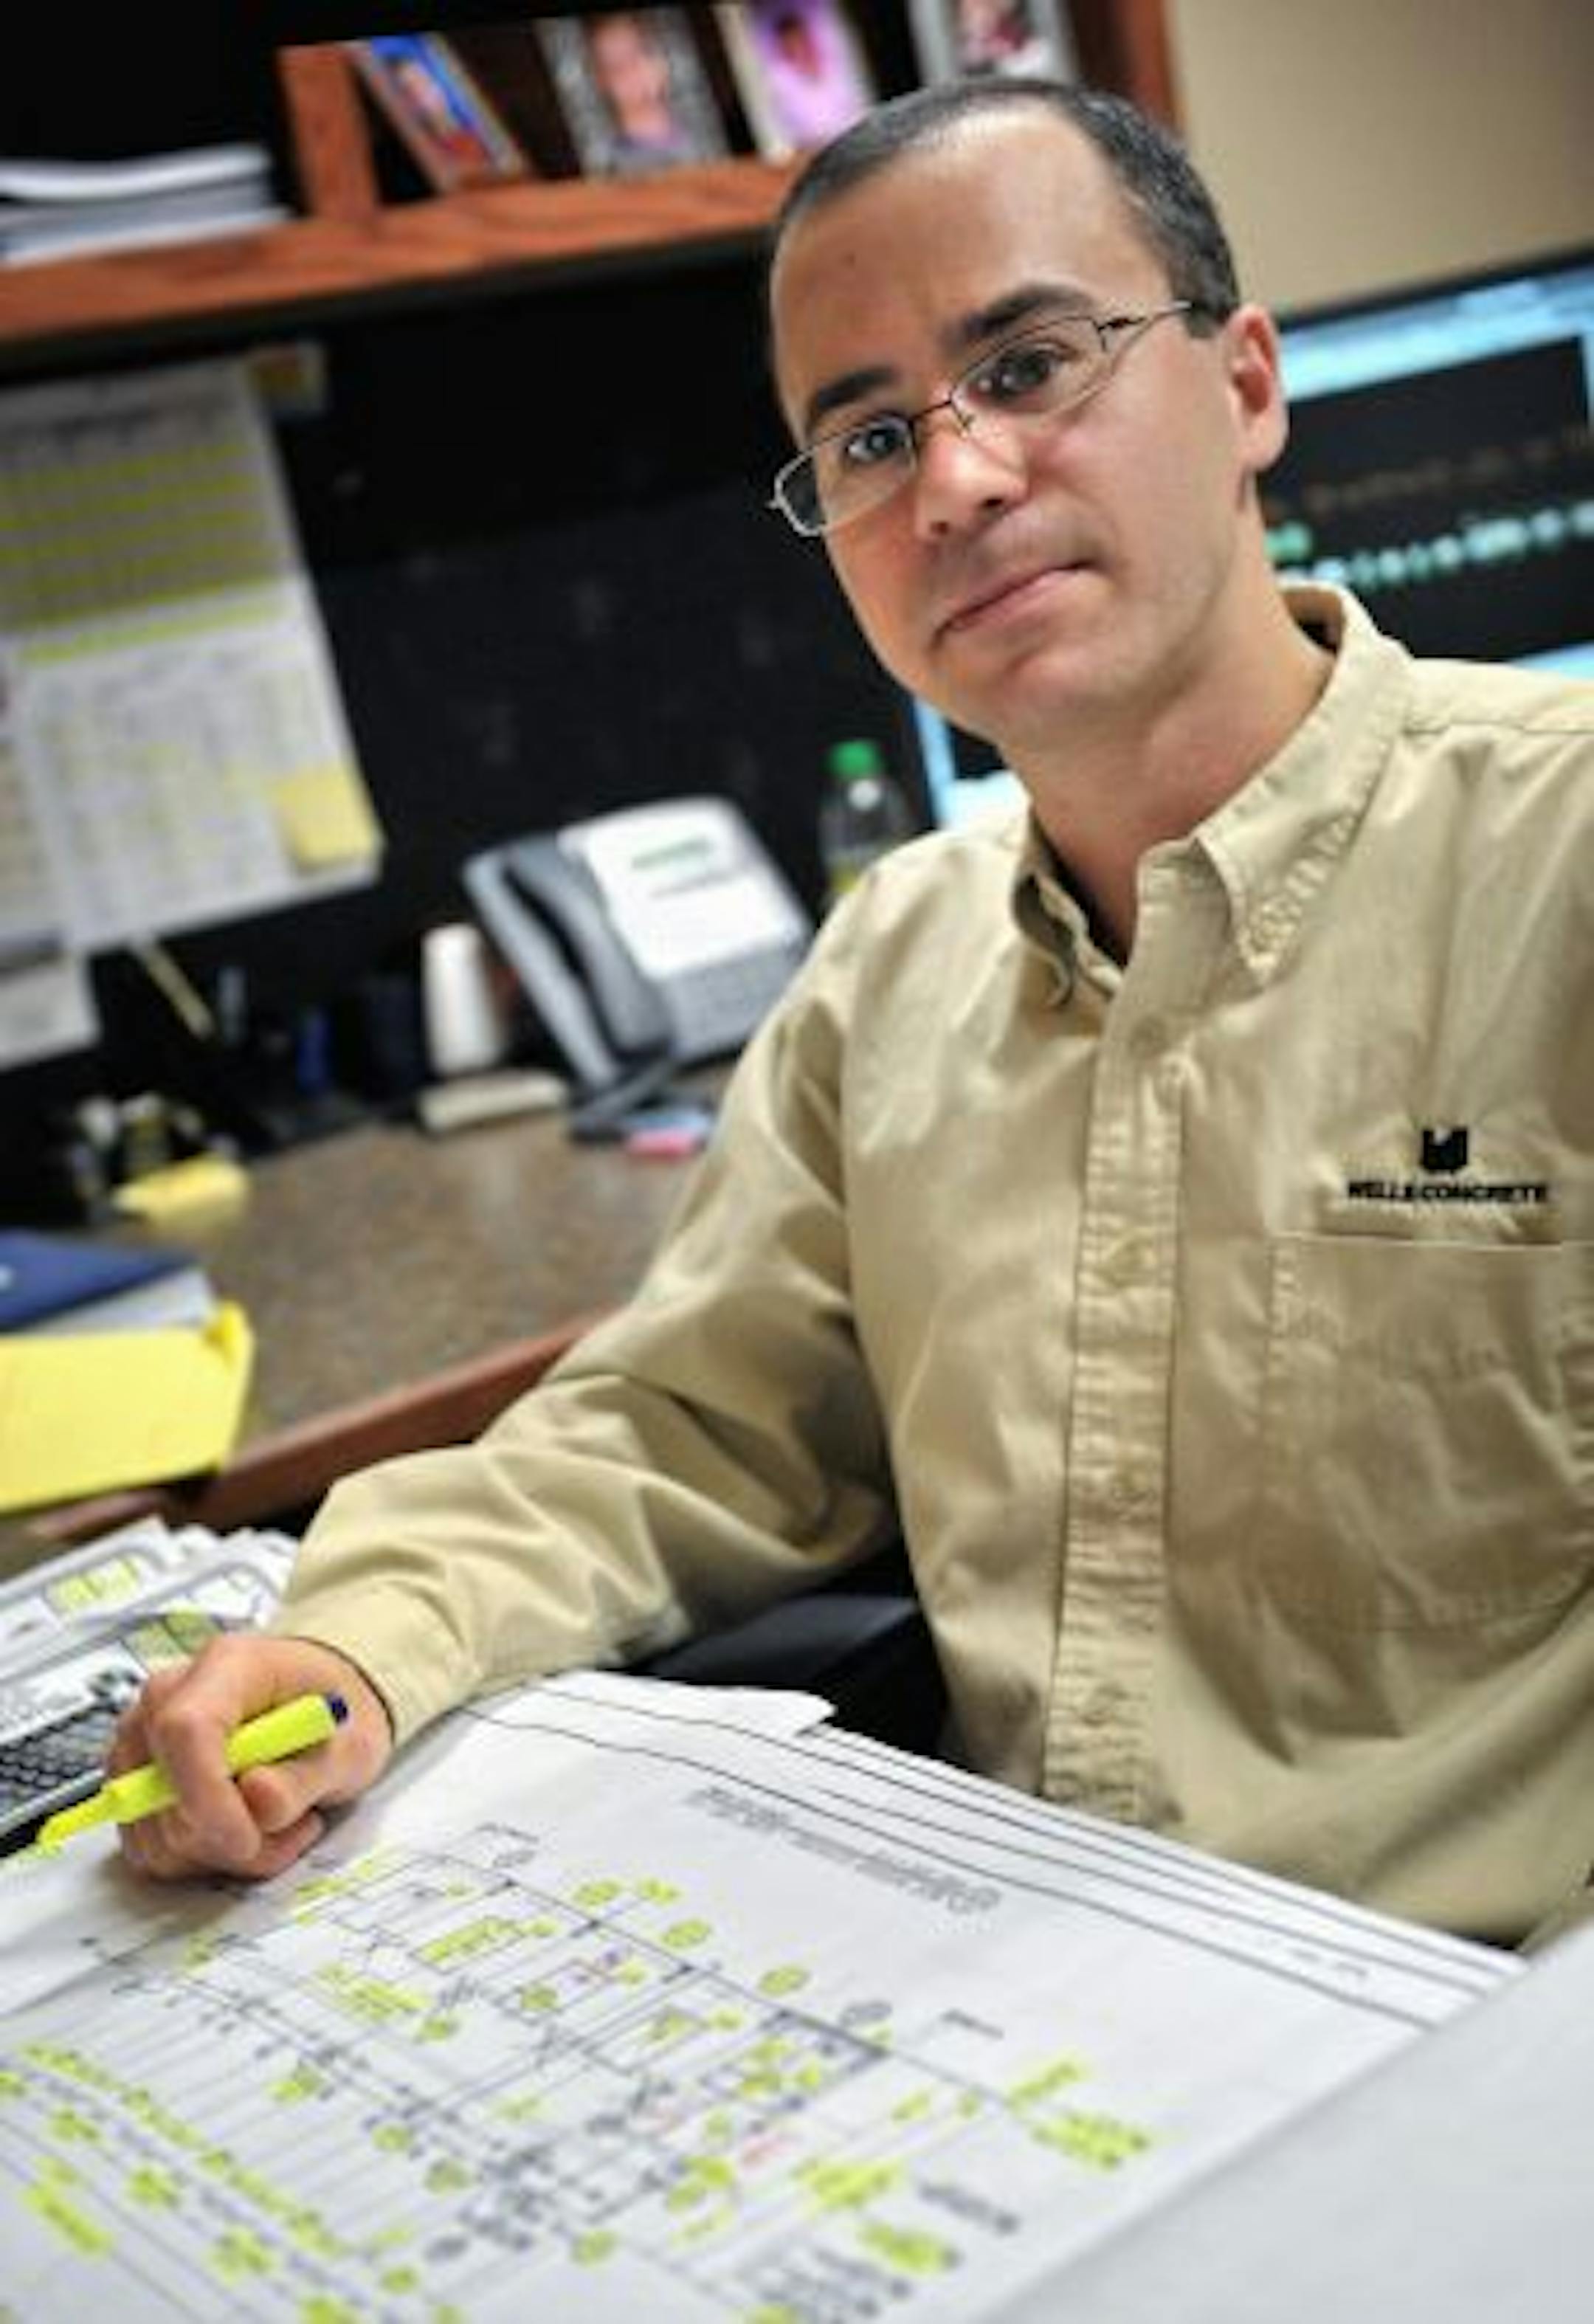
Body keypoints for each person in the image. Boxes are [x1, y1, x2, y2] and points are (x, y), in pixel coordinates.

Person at [112, 78, 1594, 1949]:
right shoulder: (890, 965)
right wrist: (354, 1646)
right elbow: (676, 1434)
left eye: (1034, 363)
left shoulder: (1564, 863)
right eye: (873, 437)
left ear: (1243, 389)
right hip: (1013, 2017)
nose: (959, 483)